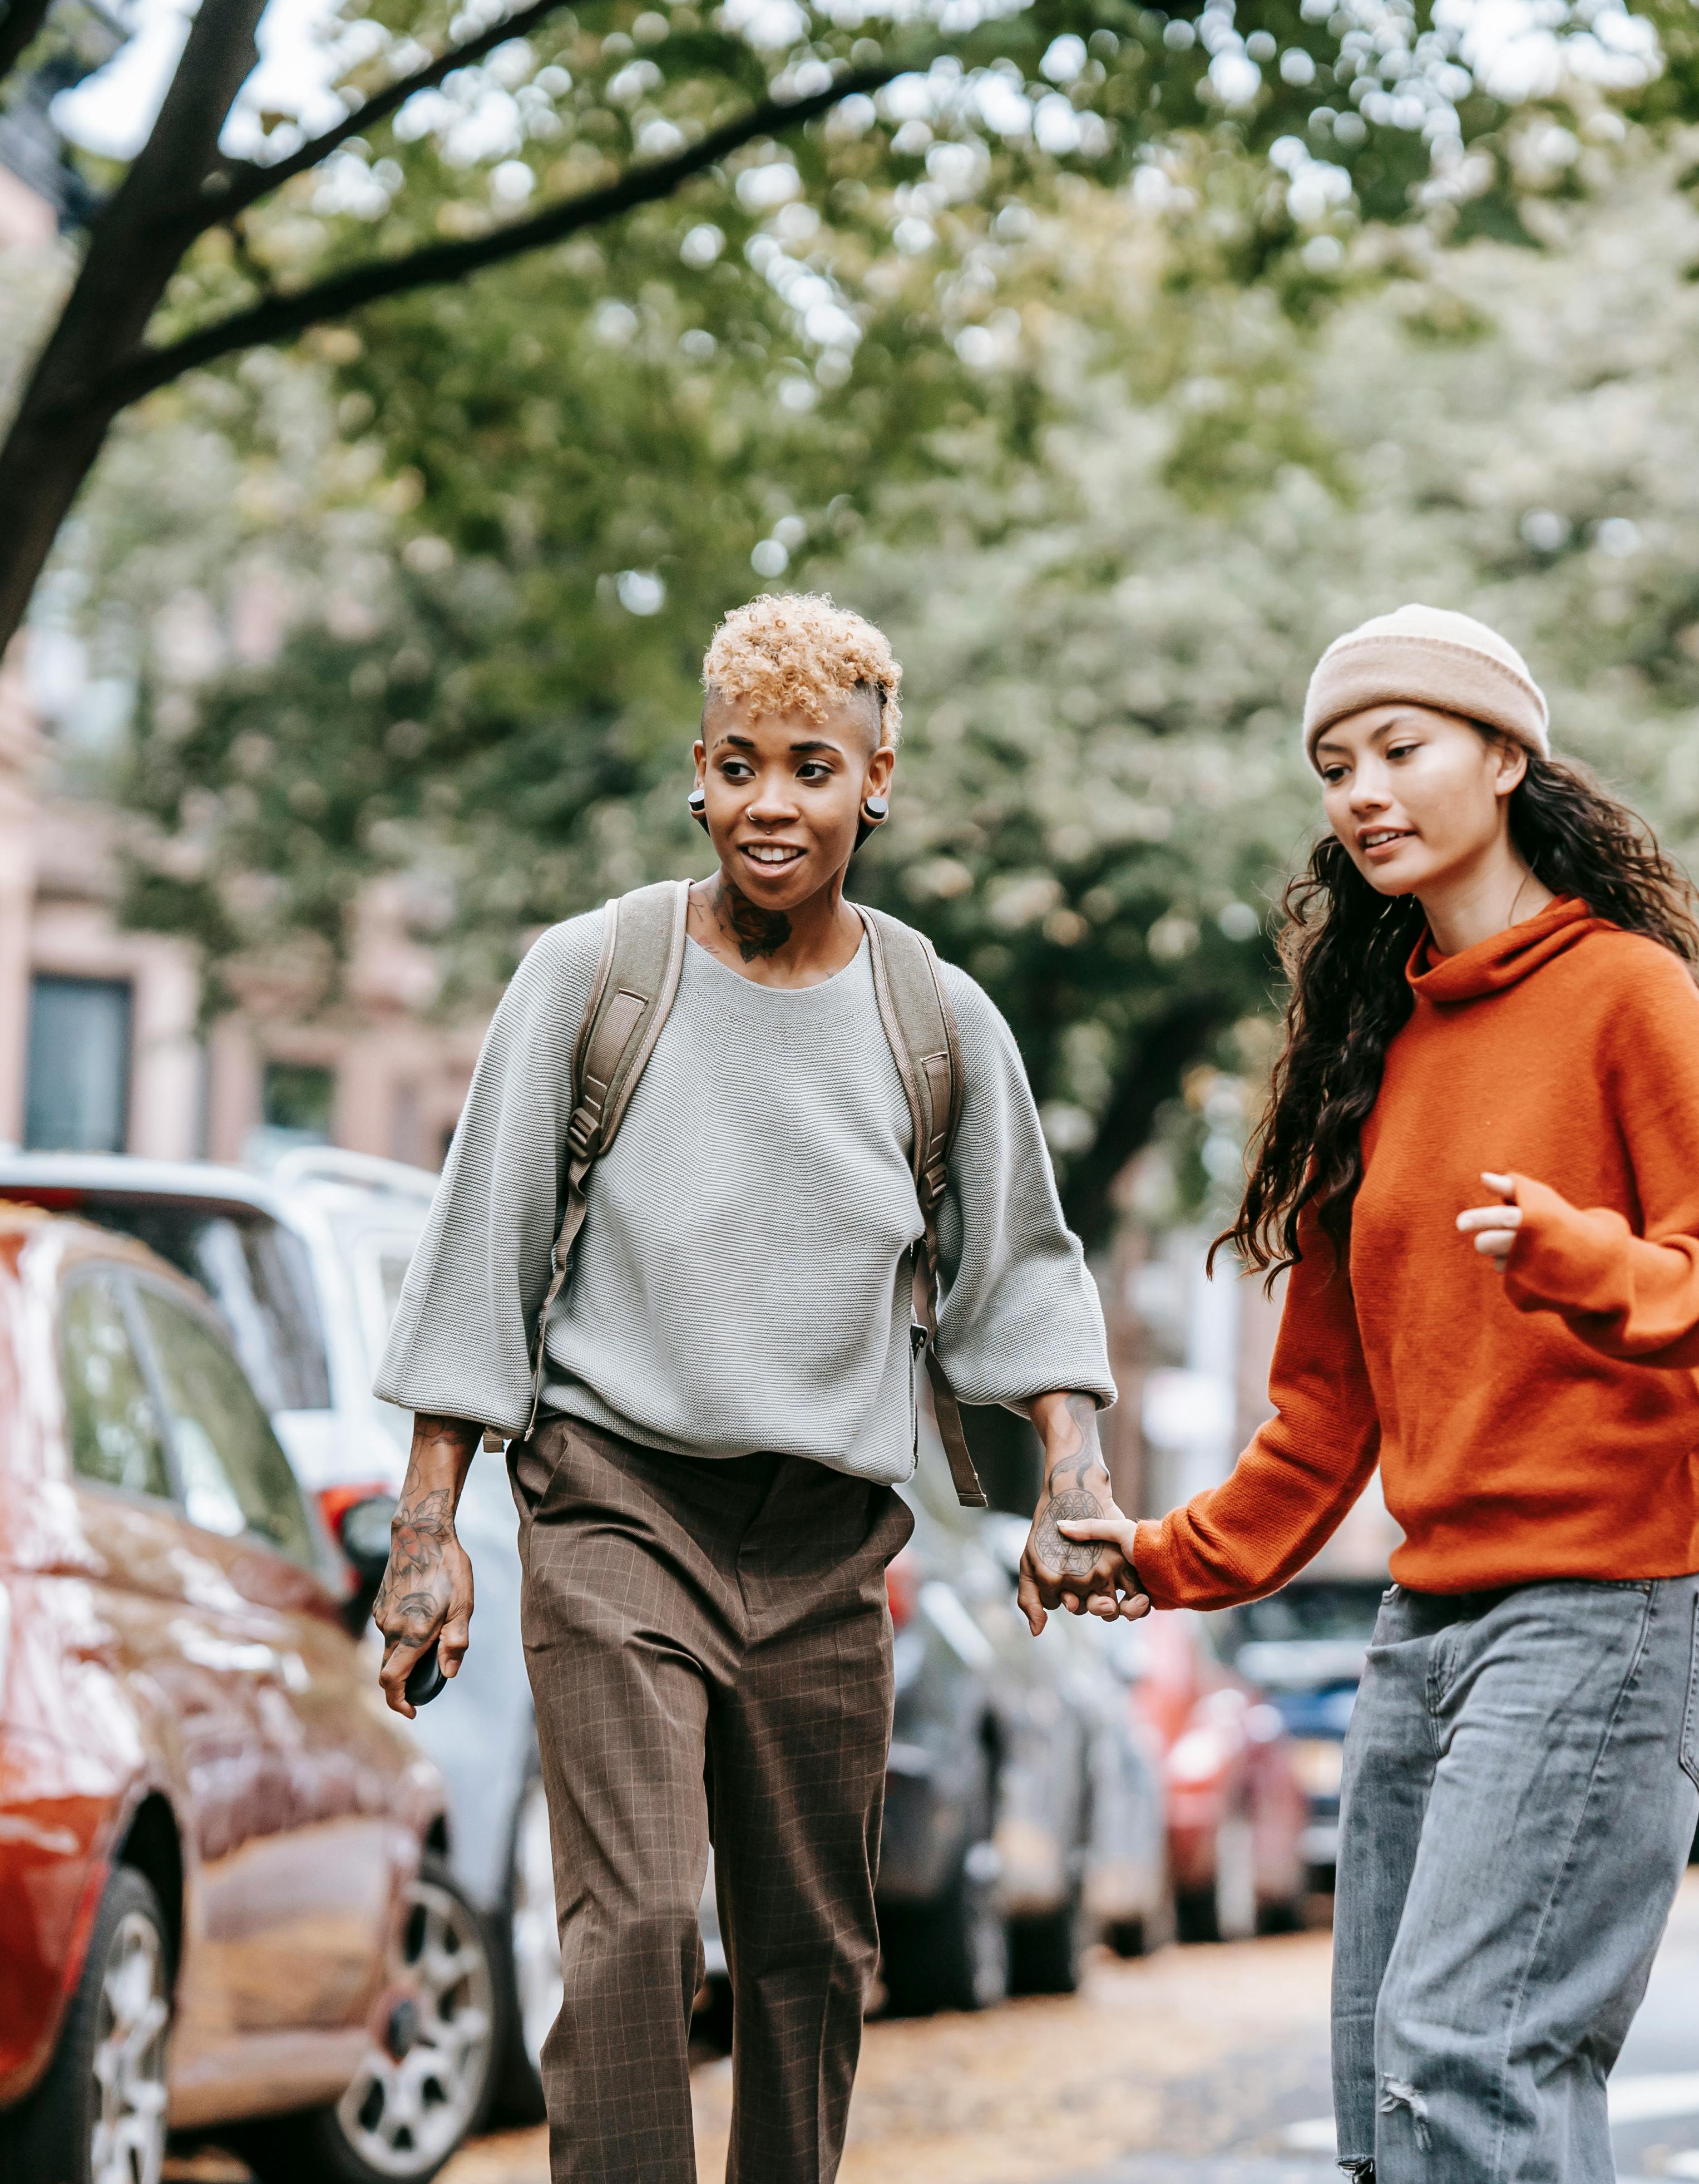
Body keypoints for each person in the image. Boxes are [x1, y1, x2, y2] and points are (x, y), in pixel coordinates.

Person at [366, 594, 1140, 2184]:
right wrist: (427, 1529)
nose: (770, 804)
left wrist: (1075, 1481)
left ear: (878, 780)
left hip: (827, 1540)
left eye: (810, 767)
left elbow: (1023, 1272)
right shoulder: (595, 977)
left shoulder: (935, 1018)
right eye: (737, 766)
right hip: (615, 1505)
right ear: (694, 777)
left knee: (807, 1959)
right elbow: (481, 1255)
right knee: (637, 1921)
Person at [1068, 604, 1699, 2184]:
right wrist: (1157, 1554)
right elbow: (1324, 1410)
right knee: (1389, 2094)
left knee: (1473, 2055)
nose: (1362, 790)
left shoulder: (1625, 994)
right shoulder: (1373, 1049)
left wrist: (1583, 1258)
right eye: (1335, 763)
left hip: (1609, 1609)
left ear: (1506, 757)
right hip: (1432, 1621)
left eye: (1400, 748)